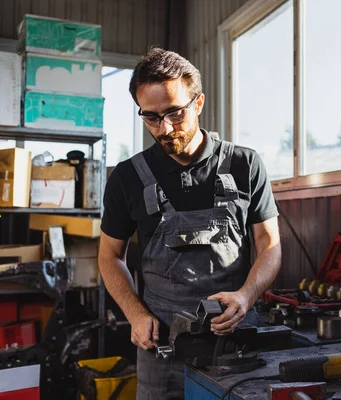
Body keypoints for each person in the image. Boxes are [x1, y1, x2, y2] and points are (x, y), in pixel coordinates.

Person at [98, 48, 282, 399]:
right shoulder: (127, 178)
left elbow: (270, 245)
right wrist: (135, 314)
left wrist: (246, 296)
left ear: (198, 103)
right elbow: (109, 256)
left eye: (174, 113)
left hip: (236, 342)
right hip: (162, 346)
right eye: (151, 117)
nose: (164, 128)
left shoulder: (245, 164)